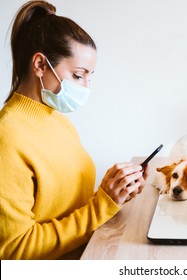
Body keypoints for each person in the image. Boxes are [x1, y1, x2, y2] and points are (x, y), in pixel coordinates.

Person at [0, 0, 146, 259]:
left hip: (91, 252)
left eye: (90, 76)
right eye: (79, 75)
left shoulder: (58, 121)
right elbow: (14, 249)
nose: (86, 87)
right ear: (40, 66)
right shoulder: (7, 137)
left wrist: (114, 192)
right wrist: (102, 205)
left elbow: (65, 208)